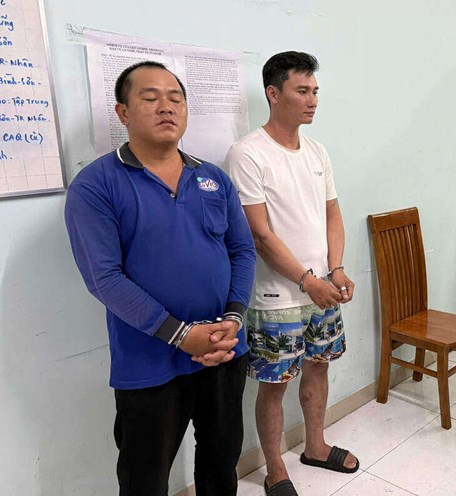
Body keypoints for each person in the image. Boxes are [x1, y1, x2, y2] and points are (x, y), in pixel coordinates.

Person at [64, 61, 256, 496]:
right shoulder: (96, 186)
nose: (166, 107)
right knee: (144, 475)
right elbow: (104, 278)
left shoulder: (213, 178)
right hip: (149, 360)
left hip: (226, 349)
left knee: (222, 461)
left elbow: (241, 250)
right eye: (150, 98)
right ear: (123, 113)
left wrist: (234, 318)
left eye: (175, 98)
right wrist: (180, 334)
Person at [223, 51, 357, 496]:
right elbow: (259, 235)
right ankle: (275, 469)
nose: (313, 99)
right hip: (277, 297)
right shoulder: (248, 153)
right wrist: (307, 281)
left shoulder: (317, 151)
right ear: (273, 93)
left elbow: (332, 213)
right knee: (274, 385)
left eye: (315, 90)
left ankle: (315, 446)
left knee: (318, 368)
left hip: (322, 290)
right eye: (302, 91)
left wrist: (335, 269)